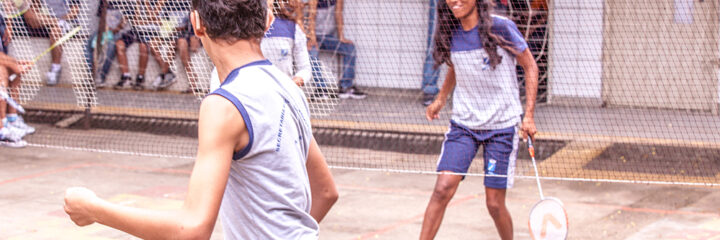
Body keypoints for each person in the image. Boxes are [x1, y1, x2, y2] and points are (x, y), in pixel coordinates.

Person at [64, 1, 338, 239]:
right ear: (268, 19)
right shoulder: (289, 86)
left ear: (196, 24)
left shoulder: (225, 104)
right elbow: (326, 192)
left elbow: (192, 229)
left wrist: (94, 209)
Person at [420, 0, 539, 239]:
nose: (454, 1)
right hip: (464, 125)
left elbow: (530, 65)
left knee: (494, 203)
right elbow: (456, 66)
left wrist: (528, 115)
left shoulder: (500, 28)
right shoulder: (450, 29)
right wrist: (441, 98)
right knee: (442, 189)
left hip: (501, 126)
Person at [307, 0, 365, 99]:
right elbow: (311, 17)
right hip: (313, 36)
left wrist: (341, 37)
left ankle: (346, 87)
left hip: (328, 37)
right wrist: (312, 38)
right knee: (312, 53)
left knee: (350, 49)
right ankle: (321, 89)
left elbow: (338, 14)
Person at [15, 0, 80, 86]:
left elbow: (75, 12)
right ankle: (57, 22)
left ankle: (55, 68)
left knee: (56, 30)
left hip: (66, 22)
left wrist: (62, 19)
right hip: (46, 21)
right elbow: (33, 12)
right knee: (31, 17)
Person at [262, 0, 311, 87]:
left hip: (283, 97)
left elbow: (305, 69)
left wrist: (290, 86)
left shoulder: (292, 28)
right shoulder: (242, 30)